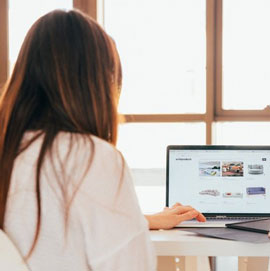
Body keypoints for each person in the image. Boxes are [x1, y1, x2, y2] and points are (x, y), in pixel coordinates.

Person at [0, 9, 205, 271]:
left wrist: (143, 220)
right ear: (96, 85)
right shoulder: (92, 158)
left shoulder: (9, 149)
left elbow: (44, 229)